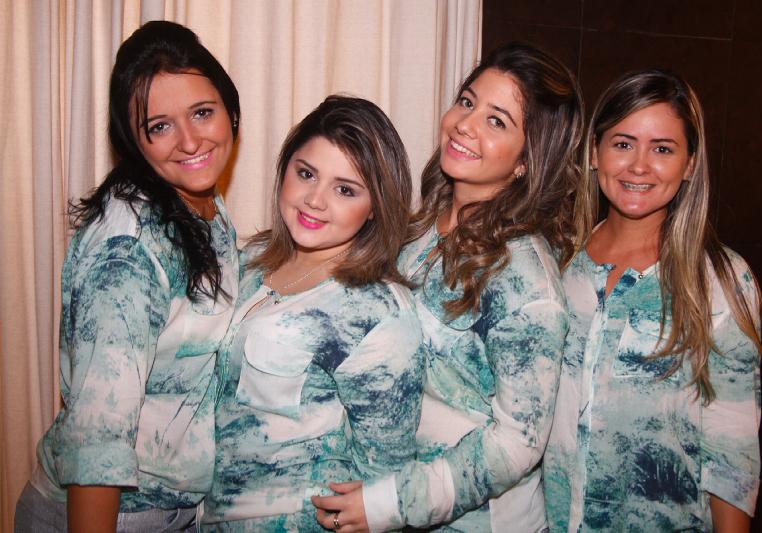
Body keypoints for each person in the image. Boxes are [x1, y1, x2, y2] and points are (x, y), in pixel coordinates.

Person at [312, 42, 584, 532]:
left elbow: (517, 445)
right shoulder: (418, 229)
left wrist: (394, 502)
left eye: (496, 121)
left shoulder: (526, 281)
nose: (465, 124)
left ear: (527, 160)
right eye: (467, 101)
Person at [14, 20, 241, 532]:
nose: (190, 141)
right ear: (134, 141)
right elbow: (97, 441)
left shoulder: (198, 202)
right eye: (159, 126)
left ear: (229, 108)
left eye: (202, 112)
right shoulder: (129, 251)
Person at [543, 70, 762, 532]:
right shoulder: (555, 264)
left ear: (689, 164)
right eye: (623, 143)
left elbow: (732, 455)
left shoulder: (721, 280)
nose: (639, 166)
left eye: (662, 149)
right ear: (594, 153)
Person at [199, 95, 424, 532]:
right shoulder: (250, 260)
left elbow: (384, 481)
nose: (315, 200)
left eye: (345, 189)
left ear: (376, 207)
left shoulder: (377, 313)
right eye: (306, 174)